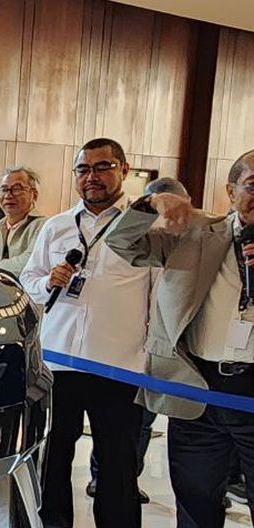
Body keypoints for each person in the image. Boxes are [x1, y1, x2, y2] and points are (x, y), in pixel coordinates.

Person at [106, 149, 254, 528]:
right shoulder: (194, 232)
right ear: (231, 191)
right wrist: (150, 203)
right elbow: (123, 243)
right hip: (196, 388)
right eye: (253, 185)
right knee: (196, 504)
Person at [19, 137, 151, 528]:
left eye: (102, 167)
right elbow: (28, 280)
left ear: (123, 170)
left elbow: (159, 293)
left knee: (117, 457)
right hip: (60, 360)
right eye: (83, 169)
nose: (92, 177)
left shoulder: (144, 227)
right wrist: (47, 281)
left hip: (119, 363)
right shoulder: (56, 226)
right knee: (55, 448)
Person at [86, 177, 192, 503]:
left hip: (175, 348)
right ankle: (103, 476)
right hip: (131, 348)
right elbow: (121, 242)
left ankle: (130, 477)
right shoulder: (143, 238)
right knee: (128, 421)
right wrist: (147, 209)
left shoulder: (198, 236)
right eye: (161, 205)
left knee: (146, 423)